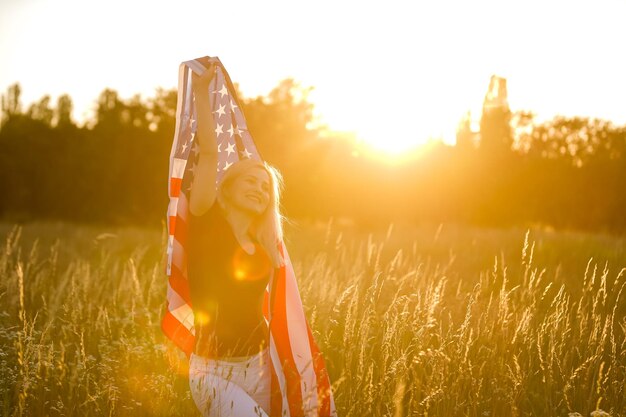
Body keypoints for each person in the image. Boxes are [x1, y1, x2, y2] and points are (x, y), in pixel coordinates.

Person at [185, 61, 285, 417]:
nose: (259, 189)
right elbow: (209, 152)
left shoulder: (263, 246)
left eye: (265, 187)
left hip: (259, 366)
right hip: (213, 370)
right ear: (228, 186)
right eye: (251, 181)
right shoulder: (206, 220)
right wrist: (201, 91)